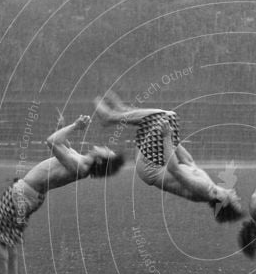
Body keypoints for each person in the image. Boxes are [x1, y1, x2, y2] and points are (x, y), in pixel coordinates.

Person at [0, 114, 125, 274]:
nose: (106, 148)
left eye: (108, 152)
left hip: (22, 195)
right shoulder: (82, 161)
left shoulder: (81, 166)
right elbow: (64, 147)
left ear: (101, 161)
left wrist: (76, 126)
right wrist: (63, 126)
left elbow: (52, 142)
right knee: (8, 237)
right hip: (27, 196)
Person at [94, 92, 244, 222]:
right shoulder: (211, 188)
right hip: (154, 163)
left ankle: (112, 116)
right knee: (160, 118)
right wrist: (173, 141)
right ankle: (122, 112)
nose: (238, 198)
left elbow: (175, 169)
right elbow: (188, 161)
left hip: (150, 168)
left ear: (224, 202)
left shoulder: (204, 190)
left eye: (236, 202)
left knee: (166, 117)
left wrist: (167, 137)